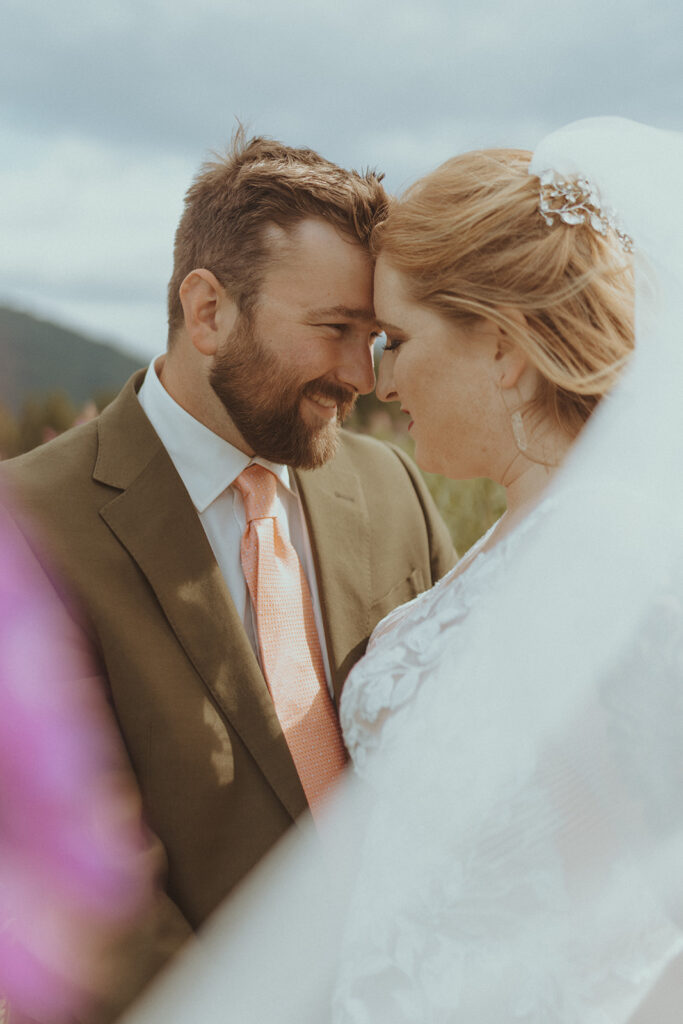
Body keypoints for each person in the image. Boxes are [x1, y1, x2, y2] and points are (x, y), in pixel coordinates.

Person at [117, 118, 683, 1024]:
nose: (378, 382)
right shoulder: (516, 540)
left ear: (502, 348)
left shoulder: (615, 556)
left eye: (398, 341)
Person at [1, 132, 455, 1019]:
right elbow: (76, 868)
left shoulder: (391, 487)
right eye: (333, 330)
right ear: (207, 311)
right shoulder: (28, 526)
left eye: (376, 338)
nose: (360, 377)